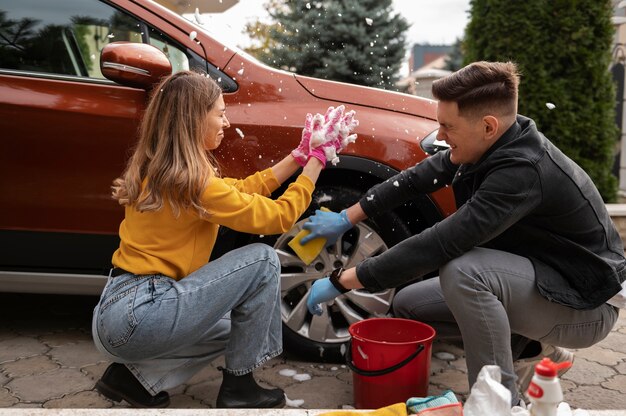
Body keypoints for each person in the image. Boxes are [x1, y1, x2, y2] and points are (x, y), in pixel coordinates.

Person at [302, 61, 626, 406]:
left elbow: (442, 242)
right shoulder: (490, 145)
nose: (439, 135)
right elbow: (415, 179)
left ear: (488, 126)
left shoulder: (521, 170)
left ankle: (498, 404)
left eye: (447, 126)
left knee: (465, 272)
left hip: (584, 303)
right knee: (408, 303)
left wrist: (341, 281)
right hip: (540, 279)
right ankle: (537, 351)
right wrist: (346, 216)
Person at [91, 70, 354, 409]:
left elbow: (240, 190)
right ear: (194, 118)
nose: (226, 122)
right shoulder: (193, 183)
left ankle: (133, 379)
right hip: (142, 313)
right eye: (220, 112)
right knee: (263, 260)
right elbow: (279, 217)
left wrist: (299, 156)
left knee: (243, 327)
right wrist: (317, 163)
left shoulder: (164, 172)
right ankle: (239, 388)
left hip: (119, 312)